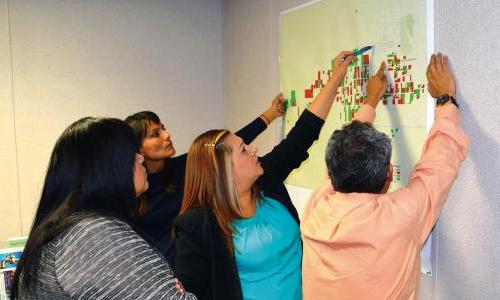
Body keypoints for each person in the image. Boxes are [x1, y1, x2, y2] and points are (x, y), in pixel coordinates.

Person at [173, 51, 356, 300]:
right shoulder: (198, 226)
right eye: (243, 149)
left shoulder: (266, 181)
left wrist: (336, 78)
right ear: (222, 170)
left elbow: (303, 134)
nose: (254, 149)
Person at [301, 53, 469, 299]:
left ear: (333, 170)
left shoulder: (317, 207)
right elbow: (439, 164)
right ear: (389, 175)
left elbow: (349, 152)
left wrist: (370, 100)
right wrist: (446, 98)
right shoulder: (400, 216)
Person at [10, 117, 196, 299]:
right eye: (132, 153)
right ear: (107, 168)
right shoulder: (93, 234)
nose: (141, 158)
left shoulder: (74, 227)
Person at [124, 97, 284, 268]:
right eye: (155, 134)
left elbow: (227, 144)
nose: (167, 134)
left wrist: (271, 114)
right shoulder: (134, 189)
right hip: (159, 276)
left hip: (196, 267)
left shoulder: (185, 166)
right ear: (138, 148)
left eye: (163, 128)